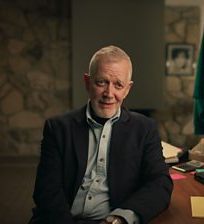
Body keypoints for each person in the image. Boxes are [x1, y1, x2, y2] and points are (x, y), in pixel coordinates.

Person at [31, 45, 173, 224]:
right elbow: (46, 190)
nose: (109, 94)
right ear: (87, 82)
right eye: (101, 82)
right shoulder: (58, 128)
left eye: (118, 85)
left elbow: (160, 183)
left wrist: (122, 217)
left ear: (127, 89)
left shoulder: (145, 129)